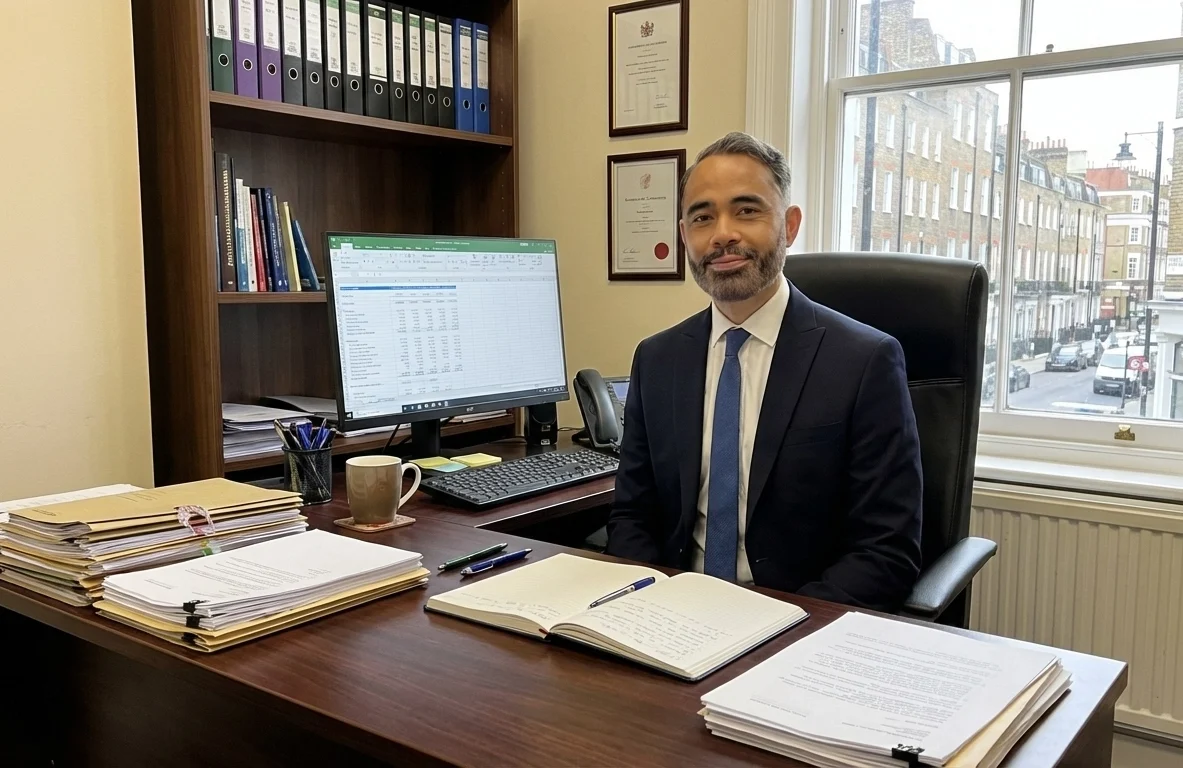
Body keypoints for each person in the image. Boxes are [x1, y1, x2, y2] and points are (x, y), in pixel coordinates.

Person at [606, 131, 923, 611]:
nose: (722, 234)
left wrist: (777, 624)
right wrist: (648, 606)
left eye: (746, 210)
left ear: (789, 226)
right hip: (673, 614)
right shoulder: (657, 359)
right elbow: (633, 516)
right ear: (685, 236)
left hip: (796, 620)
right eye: (703, 217)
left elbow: (886, 550)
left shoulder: (864, 361)